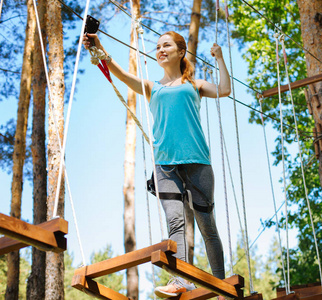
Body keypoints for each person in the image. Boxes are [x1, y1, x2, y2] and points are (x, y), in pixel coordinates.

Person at [83, 30, 231, 298]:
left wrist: (219, 58)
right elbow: (122, 75)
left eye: (167, 45)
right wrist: (99, 47)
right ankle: (182, 280)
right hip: (164, 166)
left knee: (206, 226)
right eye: (158, 46)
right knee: (175, 222)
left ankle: (221, 286)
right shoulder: (153, 87)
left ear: (180, 51)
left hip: (197, 162)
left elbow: (225, 90)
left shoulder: (195, 85)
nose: (160, 49)